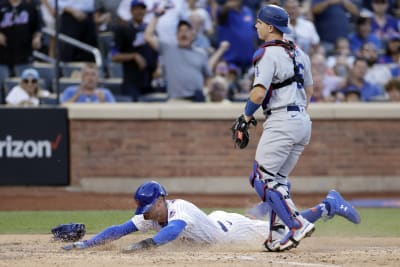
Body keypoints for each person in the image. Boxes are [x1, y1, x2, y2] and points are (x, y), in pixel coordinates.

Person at [62, 180, 360, 251]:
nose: (146, 213)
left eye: (149, 207)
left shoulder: (179, 210)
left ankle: (327, 205)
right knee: (274, 223)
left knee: (282, 234)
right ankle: (269, 208)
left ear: (160, 199)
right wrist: (85, 245)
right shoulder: (153, 214)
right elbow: (121, 228)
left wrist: (148, 245)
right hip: (215, 221)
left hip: (231, 231)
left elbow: (172, 231)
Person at [233, 4, 316, 252]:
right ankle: (277, 234)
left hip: (282, 119)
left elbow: (258, 93)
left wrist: (245, 116)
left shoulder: (267, 53)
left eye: (259, 22)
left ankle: (297, 223)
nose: (256, 25)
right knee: (277, 180)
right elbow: (309, 90)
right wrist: (296, 115)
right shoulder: (300, 52)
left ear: (270, 27)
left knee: (261, 178)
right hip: (302, 120)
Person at [144, 12, 212, 102]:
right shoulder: (168, 49)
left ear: (193, 35)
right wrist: (156, 16)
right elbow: (148, 37)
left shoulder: (201, 53)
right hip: (176, 100)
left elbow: (208, 77)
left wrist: (207, 91)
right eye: (180, 30)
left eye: (186, 30)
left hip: (197, 100)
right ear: (176, 35)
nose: (183, 33)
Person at [111, 0, 159, 101]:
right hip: (131, 82)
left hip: (149, 81)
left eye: (142, 9)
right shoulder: (123, 29)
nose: (140, 11)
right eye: (137, 9)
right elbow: (114, 56)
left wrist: (158, 67)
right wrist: (134, 56)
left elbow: (158, 52)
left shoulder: (150, 30)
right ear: (131, 11)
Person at [0, 0, 43, 76]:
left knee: (25, 81)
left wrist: (37, 38)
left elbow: (38, 26)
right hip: (2, 55)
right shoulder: (2, 5)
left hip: (24, 54)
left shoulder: (30, 6)